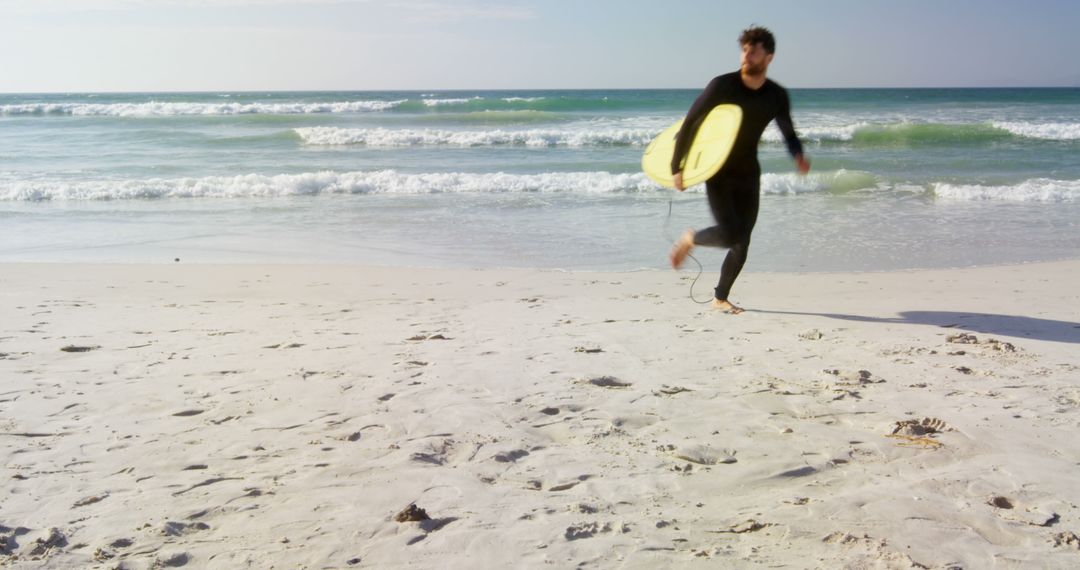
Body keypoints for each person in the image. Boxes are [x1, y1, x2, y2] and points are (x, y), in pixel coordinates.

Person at [669, 26, 810, 314]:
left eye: (754, 51)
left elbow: (788, 132)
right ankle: (690, 238)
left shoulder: (776, 95)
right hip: (719, 172)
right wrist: (677, 166)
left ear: (769, 57)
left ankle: (720, 298)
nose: (747, 55)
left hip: (749, 173)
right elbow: (691, 121)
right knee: (730, 234)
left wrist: (798, 155)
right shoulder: (722, 85)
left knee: (742, 243)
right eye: (744, 50)